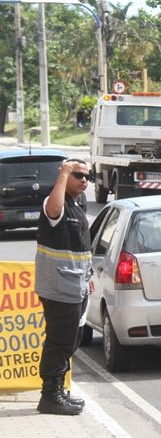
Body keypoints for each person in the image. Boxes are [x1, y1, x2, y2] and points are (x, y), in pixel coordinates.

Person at [34, 159, 93, 415]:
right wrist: (63, 173)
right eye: (77, 175)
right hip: (58, 287)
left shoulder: (79, 204)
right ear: (65, 176)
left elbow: (80, 244)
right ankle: (50, 396)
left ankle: (59, 390)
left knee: (72, 339)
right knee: (59, 341)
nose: (84, 180)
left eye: (86, 176)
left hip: (76, 285)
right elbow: (54, 209)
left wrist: (88, 275)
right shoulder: (54, 203)